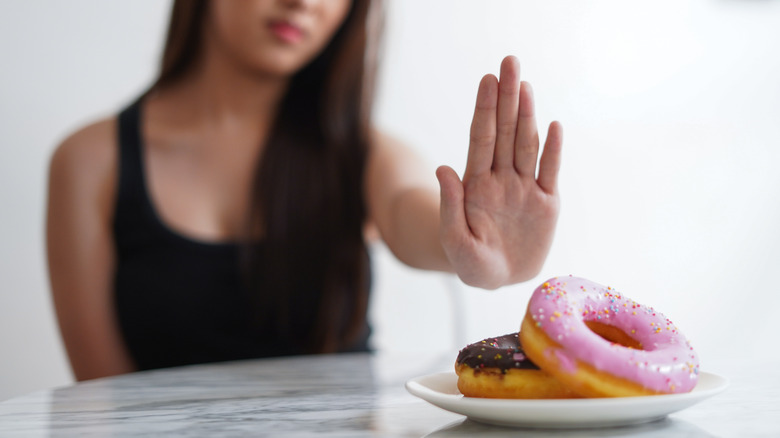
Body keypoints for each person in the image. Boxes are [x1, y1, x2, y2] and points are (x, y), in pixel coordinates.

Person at [46, 0, 563, 382]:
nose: (304, 3)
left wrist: (473, 246)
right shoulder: (91, 162)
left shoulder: (365, 154)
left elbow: (414, 214)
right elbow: (100, 402)